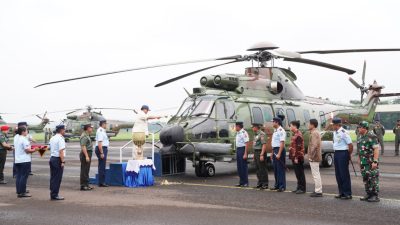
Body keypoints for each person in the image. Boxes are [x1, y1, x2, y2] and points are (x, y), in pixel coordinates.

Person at [357, 121, 380, 202]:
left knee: (373, 178)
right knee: (365, 178)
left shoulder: (372, 136)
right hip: (363, 162)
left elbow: (376, 149)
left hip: (370, 161)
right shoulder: (360, 137)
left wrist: (375, 161)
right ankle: (368, 193)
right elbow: (360, 151)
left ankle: (374, 195)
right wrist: (359, 161)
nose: (358, 129)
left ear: (364, 128)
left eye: (359, 127)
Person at [332, 118, 353, 200]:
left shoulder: (344, 133)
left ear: (337, 125)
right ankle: (341, 192)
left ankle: (347, 193)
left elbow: (350, 145)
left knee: (344, 174)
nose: (332, 126)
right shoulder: (335, 132)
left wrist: (348, 154)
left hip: (343, 153)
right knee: (338, 174)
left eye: (333, 125)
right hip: (336, 153)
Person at [14, 126, 36, 198]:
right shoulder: (24, 139)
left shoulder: (16, 138)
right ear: (23, 132)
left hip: (18, 160)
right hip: (24, 160)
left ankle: (19, 190)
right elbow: (27, 151)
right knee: (24, 176)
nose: (27, 132)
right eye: (26, 131)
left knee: (19, 176)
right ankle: (22, 192)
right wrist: (35, 149)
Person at [49, 125, 66, 200]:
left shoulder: (53, 137)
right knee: (57, 178)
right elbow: (61, 151)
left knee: (53, 177)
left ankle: (53, 192)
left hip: (52, 158)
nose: (64, 131)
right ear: (61, 130)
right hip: (57, 159)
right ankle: (55, 194)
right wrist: (62, 161)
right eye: (64, 130)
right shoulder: (60, 138)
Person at [270, 117, 286, 192]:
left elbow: (282, 143)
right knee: (275, 169)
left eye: (273, 122)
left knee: (280, 169)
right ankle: (277, 185)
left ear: (277, 122)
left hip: (280, 150)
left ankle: (282, 186)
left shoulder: (281, 130)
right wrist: (272, 153)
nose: (272, 123)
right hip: (275, 150)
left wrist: (279, 153)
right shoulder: (275, 130)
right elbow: (274, 143)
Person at [289, 120, 306, 194]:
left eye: (291, 125)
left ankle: (302, 188)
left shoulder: (298, 135)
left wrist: (296, 157)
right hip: (294, 156)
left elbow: (298, 148)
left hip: (298, 157)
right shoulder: (294, 134)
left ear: (295, 126)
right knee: (297, 173)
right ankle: (299, 187)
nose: (290, 127)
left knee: (300, 173)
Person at [308, 119, 323, 197]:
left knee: (316, 174)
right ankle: (318, 190)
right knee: (316, 174)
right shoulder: (315, 132)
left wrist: (311, 156)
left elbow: (314, 146)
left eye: (309, 124)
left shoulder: (314, 133)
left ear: (313, 125)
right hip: (315, 156)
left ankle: (318, 191)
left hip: (314, 157)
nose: (308, 125)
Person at [251, 123, 268, 189]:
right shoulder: (255, 134)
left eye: (253, 127)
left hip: (260, 152)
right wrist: (254, 154)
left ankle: (265, 183)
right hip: (256, 152)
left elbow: (264, 145)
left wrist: (261, 154)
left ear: (256, 127)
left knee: (262, 168)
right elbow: (255, 145)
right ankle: (260, 182)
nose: (252, 128)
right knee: (257, 168)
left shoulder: (262, 134)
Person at [80, 123, 94, 191]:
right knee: (84, 170)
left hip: (88, 153)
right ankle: (83, 185)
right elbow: (83, 146)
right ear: (88, 128)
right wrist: (86, 156)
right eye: (91, 128)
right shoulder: (84, 136)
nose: (92, 129)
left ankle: (86, 184)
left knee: (86, 170)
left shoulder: (87, 135)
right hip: (86, 153)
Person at [95, 120, 109, 187]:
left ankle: (101, 181)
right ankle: (101, 182)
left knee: (102, 165)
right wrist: (101, 152)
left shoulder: (102, 130)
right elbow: (100, 142)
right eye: (106, 124)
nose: (106, 125)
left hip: (103, 148)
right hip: (101, 148)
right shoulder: (100, 131)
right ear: (103, 124)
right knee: (102, 166)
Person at [235, 121, 249, 187]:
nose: (235, 127)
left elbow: (246, 143)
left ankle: (245, 182)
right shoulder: (238, 133)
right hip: (238, 149)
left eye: (236, 126)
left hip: (243, 149)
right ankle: (241, 182)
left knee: (243, 167)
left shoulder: (244, 132)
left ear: (238, 126)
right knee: (239, 167)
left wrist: (245, 153)